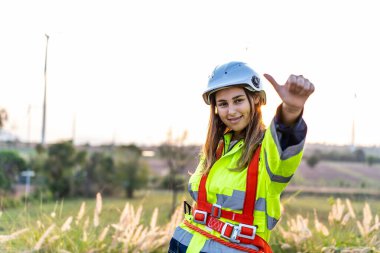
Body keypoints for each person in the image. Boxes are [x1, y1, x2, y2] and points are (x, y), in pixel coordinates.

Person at [168, 61, 315, 253]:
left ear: (254, 99)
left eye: (238, 100)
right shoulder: (217, 148)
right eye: (223, 104)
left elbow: (285, 137)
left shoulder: (267, 152)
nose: (231, 111)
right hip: (183, 244)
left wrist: (291, 111)